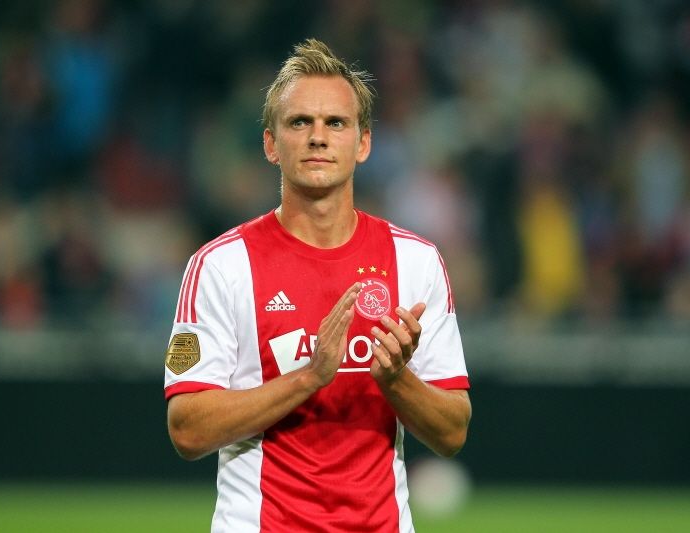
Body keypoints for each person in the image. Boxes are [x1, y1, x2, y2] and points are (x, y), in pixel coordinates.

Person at [164, 38, 471, 532]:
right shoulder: (222, 266)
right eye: (300, 122)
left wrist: (396, 380)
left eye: (336, 123)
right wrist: (309, 376)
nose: (318, 138)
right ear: (271, 144)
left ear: (363, 143)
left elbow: (453, 432)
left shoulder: (416, 262)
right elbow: (187, 429)